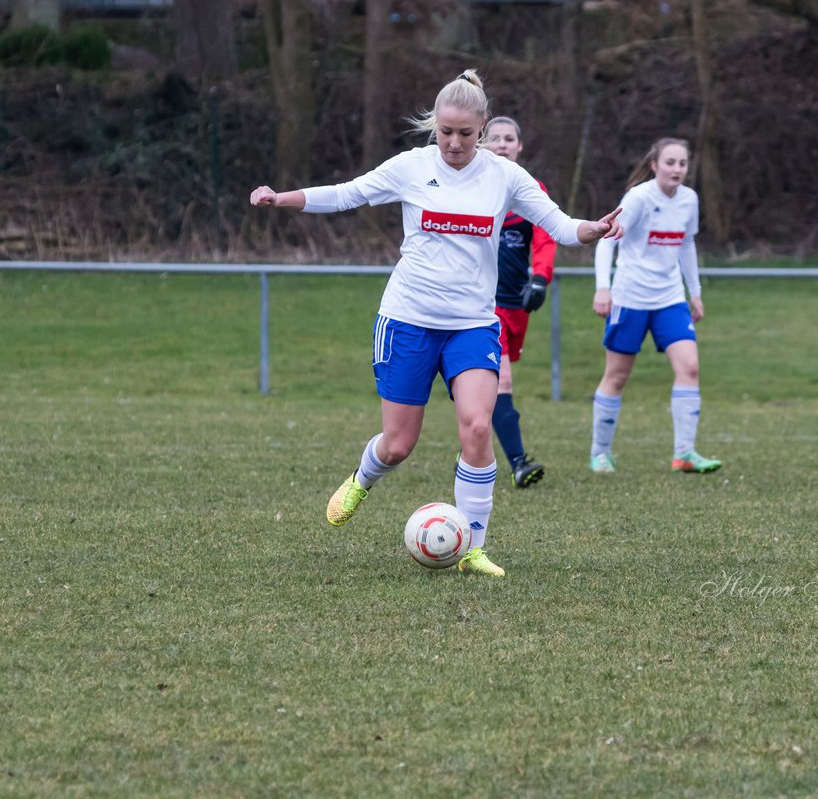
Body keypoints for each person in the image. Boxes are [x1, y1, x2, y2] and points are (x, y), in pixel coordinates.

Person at [249, 70, 623, 577]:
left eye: (465, 134)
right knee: (399, 444)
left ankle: (472, 547)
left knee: (476, 427)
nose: (453, 142)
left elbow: (559, 225)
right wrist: (282, 198)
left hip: (472, 325)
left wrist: (595, 229)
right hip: (407, 320)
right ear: (435, 126)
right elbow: (346, 194)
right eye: (445, 132)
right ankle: (363, 476)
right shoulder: (411, 167)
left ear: (484, 129)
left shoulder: (507, 177)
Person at [588, 137, 721, 475]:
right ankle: (600, 453)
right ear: (654, 165)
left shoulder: (689, 199)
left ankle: (685, 454)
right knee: (617, 376)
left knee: (690, 367)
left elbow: (687, 244)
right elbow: (607, 241)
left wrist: (695, 292)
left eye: (682, 164)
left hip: (670, 300)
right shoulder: (638, 198)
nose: (677, 169)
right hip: (630, 298)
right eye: (670, 162)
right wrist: (604, 288)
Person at [484, 116, 557, 489]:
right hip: (480, 304)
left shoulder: (530, 189)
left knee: (486, 388)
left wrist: (541, 278)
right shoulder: (471, 184)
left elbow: (546, 236)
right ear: (481, 143)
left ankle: (473, 449)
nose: (501, 144)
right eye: (493, 138)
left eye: (508, 138)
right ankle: (517, 463)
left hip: (516, 304)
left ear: (519, 146)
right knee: (500, 381)